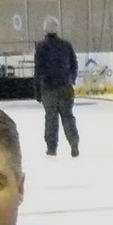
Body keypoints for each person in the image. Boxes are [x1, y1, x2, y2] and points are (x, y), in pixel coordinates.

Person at [33, 17, 79, 157]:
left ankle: (52, 147)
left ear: (45, 29)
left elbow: (38, 70)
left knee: (51, 118)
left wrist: (37, 91)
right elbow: (74, 65)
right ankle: (74, 143)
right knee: (68, 116)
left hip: (49, 88)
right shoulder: (67, 45)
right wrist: (71, 80)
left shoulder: (41, 47)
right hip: (66, 87)